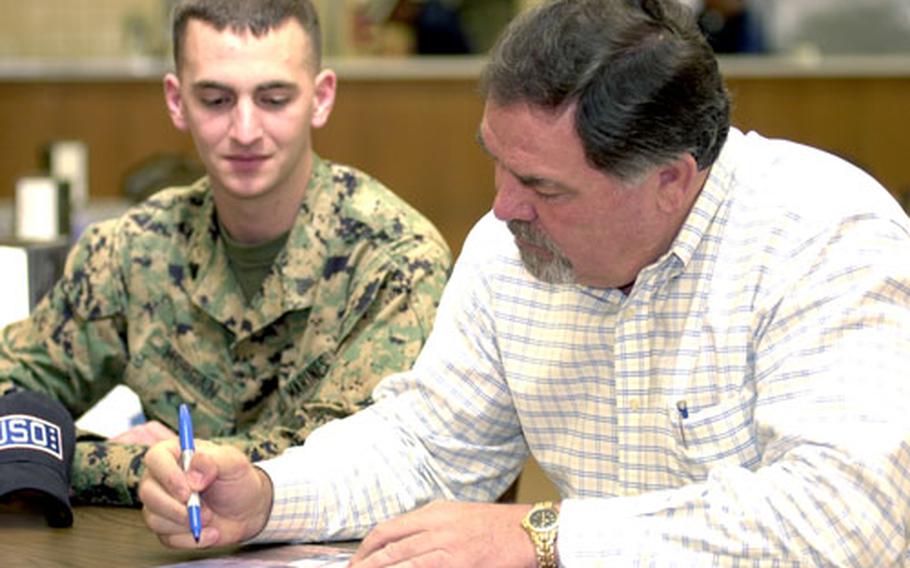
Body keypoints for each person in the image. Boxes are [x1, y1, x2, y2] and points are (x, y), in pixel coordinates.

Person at [140, 0, 910, 565]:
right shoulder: (511, 250)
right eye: (495, 161)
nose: (503, 207)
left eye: (545, 186)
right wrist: (270, 496)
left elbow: (850, 516)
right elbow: (429, 448)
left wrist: (547, 536)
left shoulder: (825, 236)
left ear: (671, 182)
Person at [0, 0, 450, 508]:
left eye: (274, 99)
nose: (244, 130)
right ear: (176, 101)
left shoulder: (394, 262)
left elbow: (355, 458)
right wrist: (134, 466)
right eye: (215, 100)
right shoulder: (133, 250)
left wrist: (135, 465)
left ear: (321, 98)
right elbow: (9, 390)